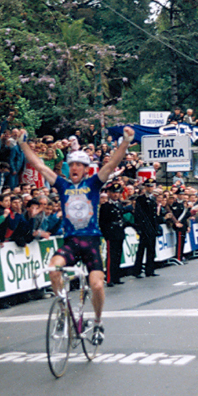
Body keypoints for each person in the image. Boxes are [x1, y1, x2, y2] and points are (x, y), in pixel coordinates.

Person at [19, 126, 135, 346]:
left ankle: (98, 322)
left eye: (79, 165)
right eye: (71, 164)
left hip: (91, 240)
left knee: (97, 285)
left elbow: (111, 164)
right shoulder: (62, 185)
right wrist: (23, 143)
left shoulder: (92, 183)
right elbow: (39, 165)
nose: (74, 167)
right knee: (54, 269)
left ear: (85, 169)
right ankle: (63, 311)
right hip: (71, 241)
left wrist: (126, 142)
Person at [132, 178, 162, 278]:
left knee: (151, 250)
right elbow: (139, 214)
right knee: (141, 250)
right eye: (148, 186)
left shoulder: (153, 199)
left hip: (152, 228)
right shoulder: (140, 199)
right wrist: (140, 228)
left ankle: (150, 270)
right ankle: (137, 270)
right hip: (144, 228)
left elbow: (154, 215)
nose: (150, 188)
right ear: (145, 187)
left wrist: (155, 227)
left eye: (152, 186)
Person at [99, 183, 126, 287]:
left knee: (118, 255)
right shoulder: (106, 206)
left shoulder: (119, 204)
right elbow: (102, 222)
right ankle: (110, 278)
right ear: (109, 193)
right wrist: (106, 235)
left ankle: (116, 277)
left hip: (119, 232)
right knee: (111, 256)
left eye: (117, 192)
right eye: (113, 192)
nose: (115, 195)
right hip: (111, 233)